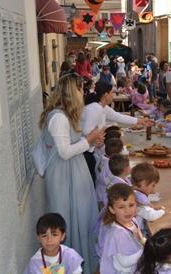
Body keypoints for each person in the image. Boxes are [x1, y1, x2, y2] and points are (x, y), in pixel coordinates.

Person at [37, 74, 102, 273]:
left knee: (81, 217)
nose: (83, 93)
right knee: (68, 217)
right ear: (72, 92)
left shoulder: (66, 114)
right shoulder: (58, 117)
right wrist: (89, 140)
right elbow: (64, 152)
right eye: (80, 89)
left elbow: (75, 145)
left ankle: (80, 263)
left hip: (74, 173)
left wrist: (92, 143)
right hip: (63, 176)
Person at [81, 81, 153, 180]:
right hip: (85, 152)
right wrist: (97, 137)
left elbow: (119, 117)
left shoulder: (102, 107)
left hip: (91, 149)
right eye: (111, 93)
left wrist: (140, 121)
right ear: (106, 95)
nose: (113, 95)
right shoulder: (95, 108)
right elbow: (86, 131)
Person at [100, 183, 146, 274]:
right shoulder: (118, 234)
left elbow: (139, 238)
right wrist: (145, 250)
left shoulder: (133, 221)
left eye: (131, 205)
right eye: (121, 207)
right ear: (112, 209)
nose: (127, 211)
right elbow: (125, 263)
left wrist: (144, 242)